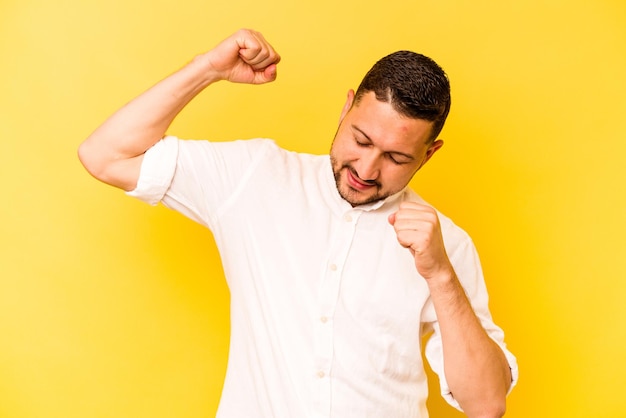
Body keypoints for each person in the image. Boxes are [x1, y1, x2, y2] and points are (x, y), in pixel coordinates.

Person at [78, 29, 517, 418]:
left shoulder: (447, 245)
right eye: (360, 139)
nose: (366, 168)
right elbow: (105, 155)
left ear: (429, 154)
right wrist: (207, 69)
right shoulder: (255, 177)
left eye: (397, 157)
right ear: (346, 107)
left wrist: (440, 274)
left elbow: (486, 405)